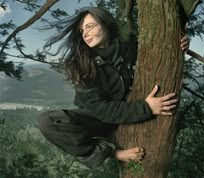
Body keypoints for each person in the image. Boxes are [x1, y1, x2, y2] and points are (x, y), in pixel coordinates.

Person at [39, 7, 189, 168]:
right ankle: (113, 153)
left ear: (105, 23)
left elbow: (156, 48)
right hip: (98, 118)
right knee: (47, 122)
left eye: (89, 27)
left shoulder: (127, 45)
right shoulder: (81, 65)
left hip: (123, 107)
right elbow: (101, 109)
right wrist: (146, 108)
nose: (85, 34)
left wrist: (177, 43)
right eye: (82, 30)